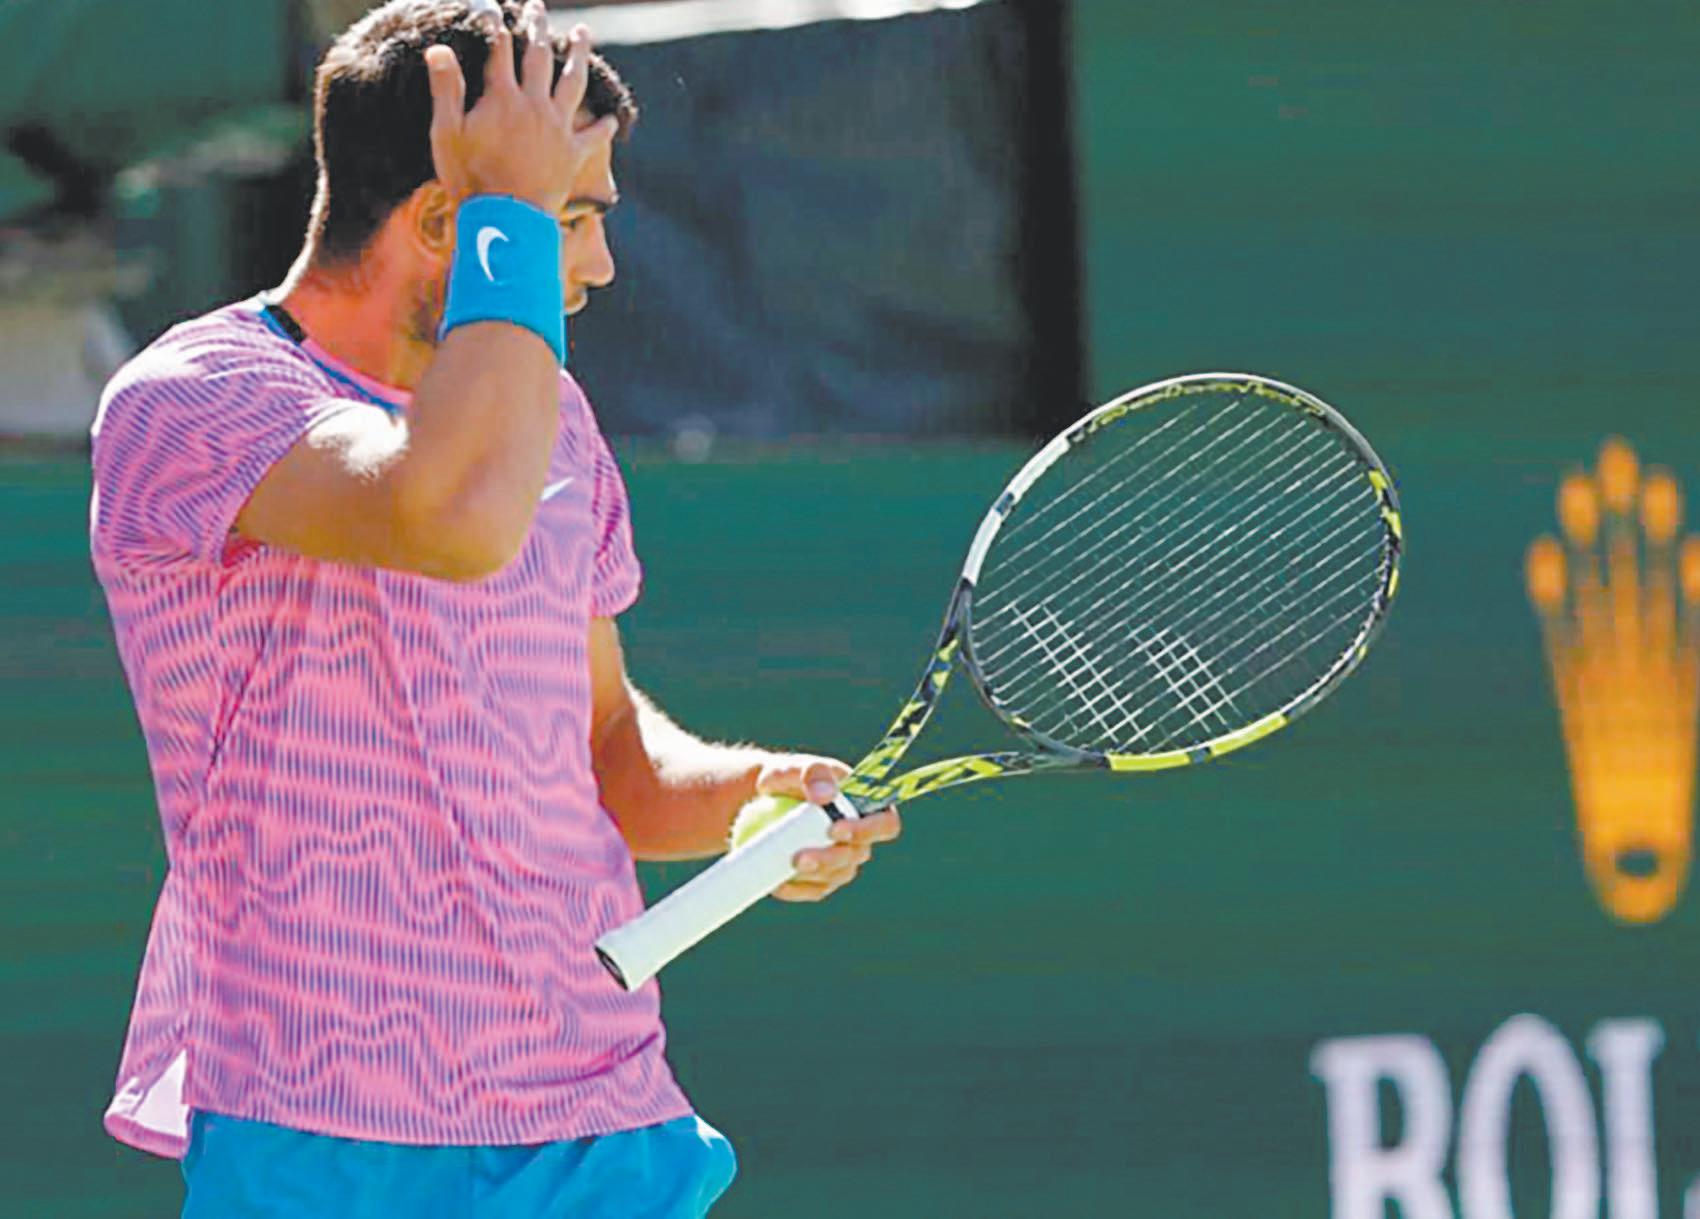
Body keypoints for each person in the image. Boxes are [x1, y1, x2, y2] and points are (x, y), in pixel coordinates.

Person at [88, 2, 900, 1214]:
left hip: (606, 1126)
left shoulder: (551, 417)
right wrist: (510, 216)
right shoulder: (195, 397)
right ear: (445, 224)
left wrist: (745, 790)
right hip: (325, 1129)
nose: (599, 265)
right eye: (569, 217)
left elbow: (606, 747)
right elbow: (448, 517)